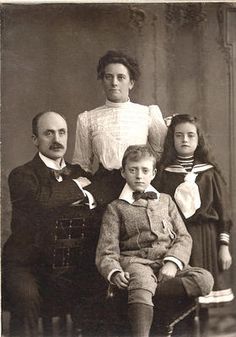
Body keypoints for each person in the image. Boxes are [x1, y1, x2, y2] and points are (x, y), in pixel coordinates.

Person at [1, 111, 114, 337]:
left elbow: (103, 193)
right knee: (26, 298)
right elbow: (42, 202)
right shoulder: (21, 175)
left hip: (68, 265)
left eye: (62, 132)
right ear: (35, 140)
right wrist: (78, 189)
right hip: (28, 265)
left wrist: (84, 194)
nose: (57, 139)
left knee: (103, 291)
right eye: (48, 133)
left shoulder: (80, 172)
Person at [96, 145, 214, 337]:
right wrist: (114, 272)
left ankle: (155, 311)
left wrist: (172, 263)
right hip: (135, 263)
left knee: (204, 280)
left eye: (145, 170)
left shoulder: (166, 201)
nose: (139, 176)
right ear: (123, 173)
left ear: (153, 173)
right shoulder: (115, 208)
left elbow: (183, 237)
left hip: (165, 262)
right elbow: (106, 251)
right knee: (141, 281)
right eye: (133, 170)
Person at [153, 114, 234, 334]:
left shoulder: (209, 173)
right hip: (178, 239)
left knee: (205, 295)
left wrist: (224, 246)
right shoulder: (164, 174)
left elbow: (223, 210)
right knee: (183, 292)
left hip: (206, 237)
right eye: (179, 135)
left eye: (190, 135)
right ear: (172, 139)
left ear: (199, 139)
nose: (185, 140)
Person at [72, 50, 167, 196]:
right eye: (108, 77)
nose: (114, 83)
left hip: (140, 186)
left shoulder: (148, 113)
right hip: (103, 189)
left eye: (121, 77)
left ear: (131, 83)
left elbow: (161, 156)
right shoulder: (87, 119)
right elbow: (82, 166)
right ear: (102, 81)